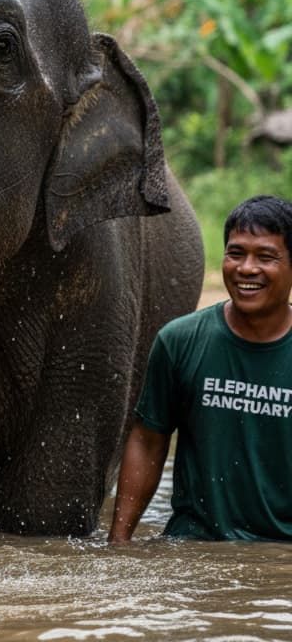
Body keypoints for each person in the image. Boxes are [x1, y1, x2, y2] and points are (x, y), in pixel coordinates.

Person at [108, 194, 292, 543]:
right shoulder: (179, 340)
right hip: (194, 545)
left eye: (266, 256)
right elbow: (148, 441)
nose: (247, 268)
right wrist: (118, 545)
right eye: (236, 253)